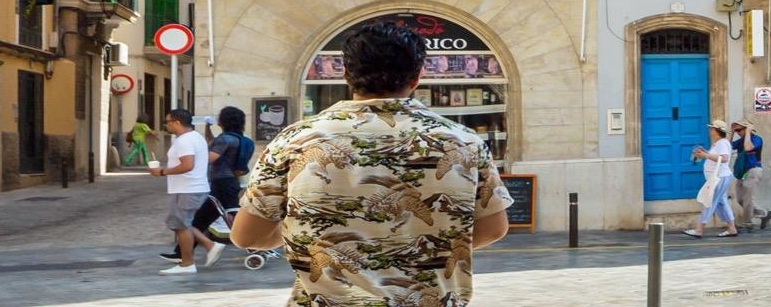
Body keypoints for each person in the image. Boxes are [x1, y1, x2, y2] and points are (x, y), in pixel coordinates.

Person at [231, 19, 511, 303]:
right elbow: (493, 228)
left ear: (346, 75)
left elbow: (247, 237)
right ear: (417, 77)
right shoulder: (464, 141)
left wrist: (306, 233)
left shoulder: (294, 140)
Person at [148, 108, 219, 277]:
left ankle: (188, 263)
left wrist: (163, 172)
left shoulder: (184, 141)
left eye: (168, 122)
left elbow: (188, 165)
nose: (166, 125)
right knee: (179, 223)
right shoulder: (194, 137)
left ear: (177, 122)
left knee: (180, 225)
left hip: (189, 188)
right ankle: (209, 246)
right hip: (188, 188)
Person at [193, 104, 255, 245]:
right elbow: (212, 142)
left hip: (222, 183)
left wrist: (188, 158)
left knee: (233, 216)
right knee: (203, 218)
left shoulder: (225, 139)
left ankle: (254, 243)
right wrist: (207, 127)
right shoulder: (237, 139)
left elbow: (209, 157)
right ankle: (182, 252)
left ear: (225, 120)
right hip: (230, 181)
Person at [684, 123, 738, 238]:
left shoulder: (722, 143)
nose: (709, 130)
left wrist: (705, 155)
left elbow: (724, 159)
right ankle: (732, 228)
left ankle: (699, 230)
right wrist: (705, 152)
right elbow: (716, 157)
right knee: (722, 202)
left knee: (709, 202)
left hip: (719, 177)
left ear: (717, 131)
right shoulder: (718, 143)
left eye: (711, 129)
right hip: (720, 177)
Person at [729, 120, 771, 230]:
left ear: (747, 129)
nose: (738, 132)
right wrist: (731, 132)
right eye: (736, 130)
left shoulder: (757, 139)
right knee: (740, 199)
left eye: (739, 130)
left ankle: (747, 223)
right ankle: (765, 213)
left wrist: (748, 132)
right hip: (742, 172)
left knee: (748, 198)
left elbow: (748, 147)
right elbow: (728, 146)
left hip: (753, 170)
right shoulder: (741, 140)